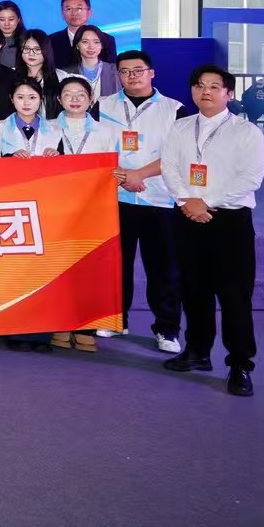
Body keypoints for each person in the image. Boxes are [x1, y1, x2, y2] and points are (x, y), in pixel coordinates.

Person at [159, 65, 264, 397]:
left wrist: (206, 202)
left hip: (229, 221)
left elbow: (250, 178)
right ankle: (197, 351)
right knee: (193, 290)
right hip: (187, 216)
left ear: (229, 94)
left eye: (214, 86)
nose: (205, 91)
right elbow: (169, 167)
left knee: (234, 295)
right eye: (199, 85)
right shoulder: (180, 126)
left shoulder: (247, 132)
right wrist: (186, 201)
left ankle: (240, 365)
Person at [96, 50, 184, 353]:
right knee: (115, 264)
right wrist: (124, 176)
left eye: (138, 70)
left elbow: (177, 154)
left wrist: (138, 174)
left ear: (152, 73)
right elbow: (95, 147)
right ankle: (116, 320)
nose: (131, 76)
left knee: (163, 267)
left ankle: (167, 328)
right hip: (114, 196)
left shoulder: (174, 109)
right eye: (125, 71)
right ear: (118, 75)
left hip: (158, 197)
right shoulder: (102, 106)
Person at [45, 74, 119, 354]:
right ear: (58, 99)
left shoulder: (106, 132)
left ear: (91, 100)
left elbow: (113, 169)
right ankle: (60, 323)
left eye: (80, 95)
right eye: (68, 94)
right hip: (56, 207)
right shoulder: (47, 128)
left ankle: (86, 326)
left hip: (94, 209)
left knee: (90, 268)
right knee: (58, 267)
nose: (74, 99)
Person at [51, 0, 118, 67]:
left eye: (79, 8)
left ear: (89, 13)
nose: (74, 13)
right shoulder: (51, 41)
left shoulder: (107, 40)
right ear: (62, 14)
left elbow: (112, 70)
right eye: (68, 9)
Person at [0, 78, 60, 158]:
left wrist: (55, 154)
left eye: (32, 97)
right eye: (20, 97)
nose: (26, 103)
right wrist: (10, 157)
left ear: (41, 99)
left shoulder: (55, 129)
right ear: (11, 98)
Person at [60, 25, 119, 102]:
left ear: (102, 45)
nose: (91, 46)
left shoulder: (115, 70)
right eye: (85, 42)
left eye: (96, 42)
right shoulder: (66, 73)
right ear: (77, 45)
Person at [16, 29, 62, 117]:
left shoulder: (61, 78)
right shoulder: (10, 76)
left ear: (46, 50)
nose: (31, 53)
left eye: (37, 49)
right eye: (26, 49)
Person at [0, 0, 34, 70]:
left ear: (18, 19)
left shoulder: (28, 40)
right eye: (2, 19)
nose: (6, 24)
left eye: (11, 19)